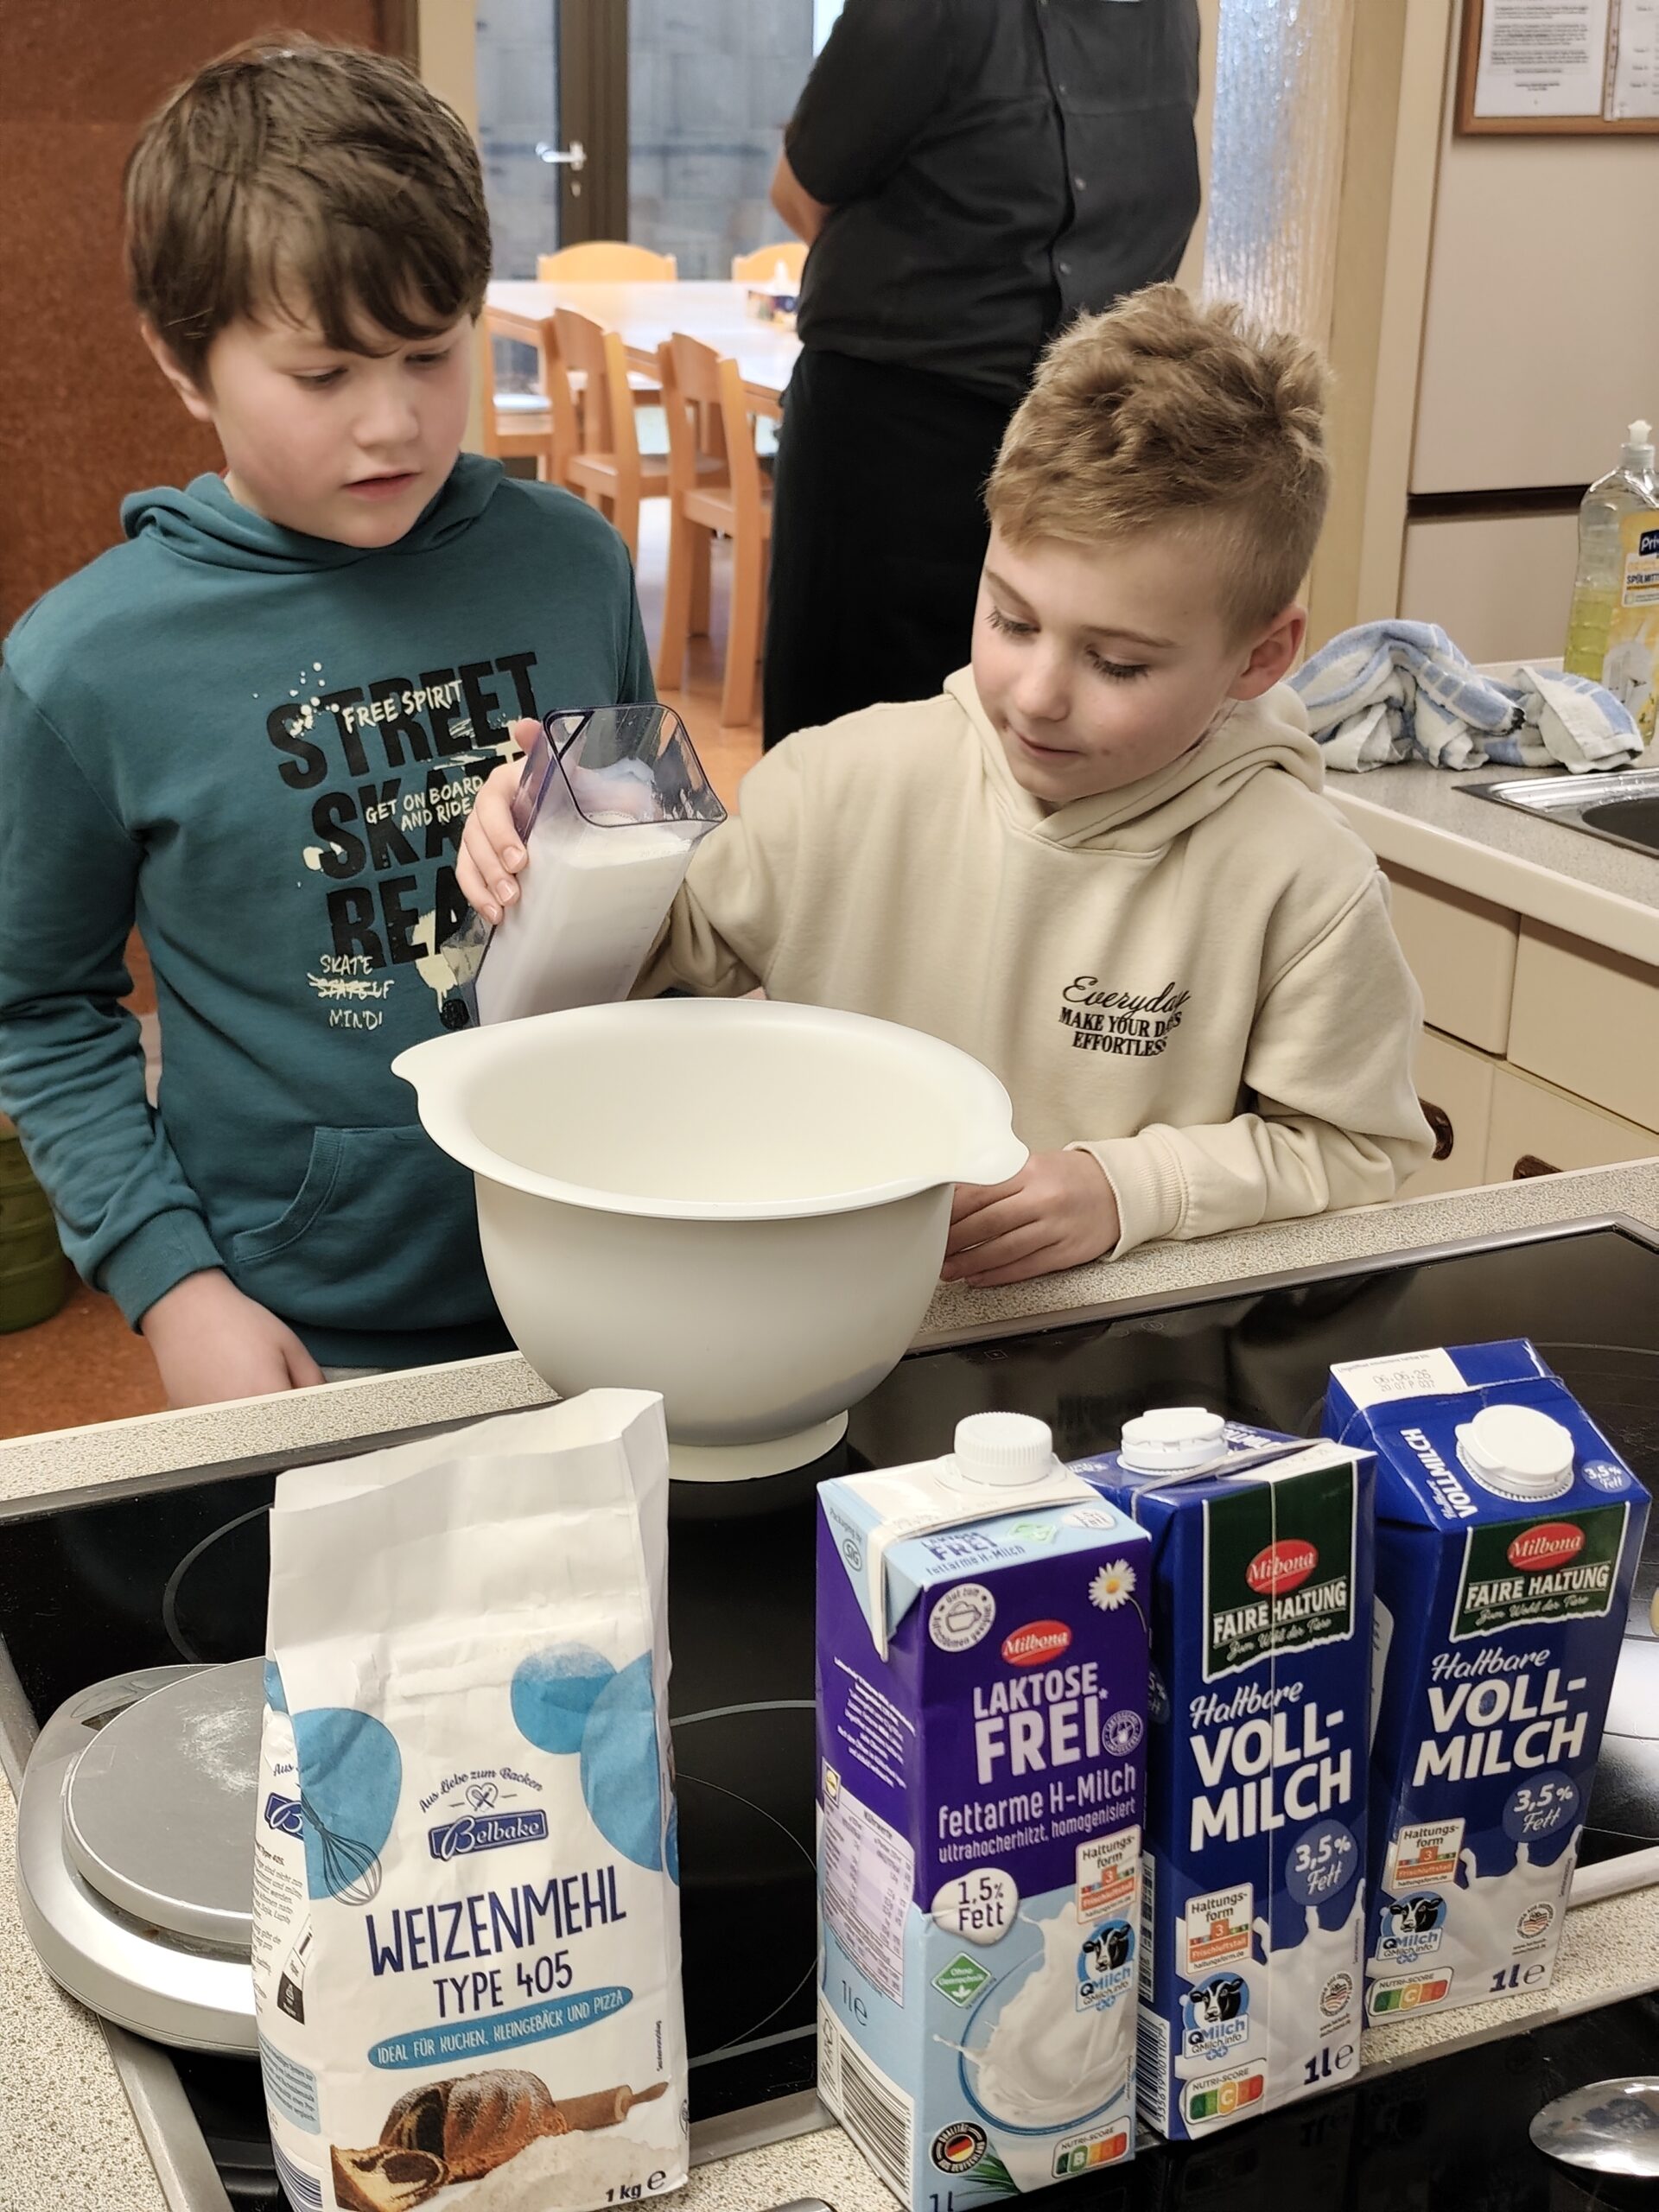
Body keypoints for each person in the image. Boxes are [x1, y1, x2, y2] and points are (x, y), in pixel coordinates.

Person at [461, 288, 1433, 1285]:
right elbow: (633, 972)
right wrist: (552, 853)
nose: (1040, 695)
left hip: (1123, 1378)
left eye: (1119, 664)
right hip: (829, 1325)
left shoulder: (1305, 885)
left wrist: (1129, 1190)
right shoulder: (837, 786)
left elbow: (1363, 1152)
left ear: (1261, 655)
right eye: (1012, 620)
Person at [0, 39, 653, 1406]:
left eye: (431, 352)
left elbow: (650, 877)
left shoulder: (572, 562)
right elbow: (39, 1007)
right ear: (185, 369)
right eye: (324, 375)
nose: (393, 423)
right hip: (301, 1317)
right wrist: (173, 1285)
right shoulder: (83, 664)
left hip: (599, 1256)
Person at [760, 0, 1202, 749]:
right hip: (896, 443)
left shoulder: (1166, 16)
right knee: (867, 748)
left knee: (1042, 739)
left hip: (1082, 445)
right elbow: (799, 190)